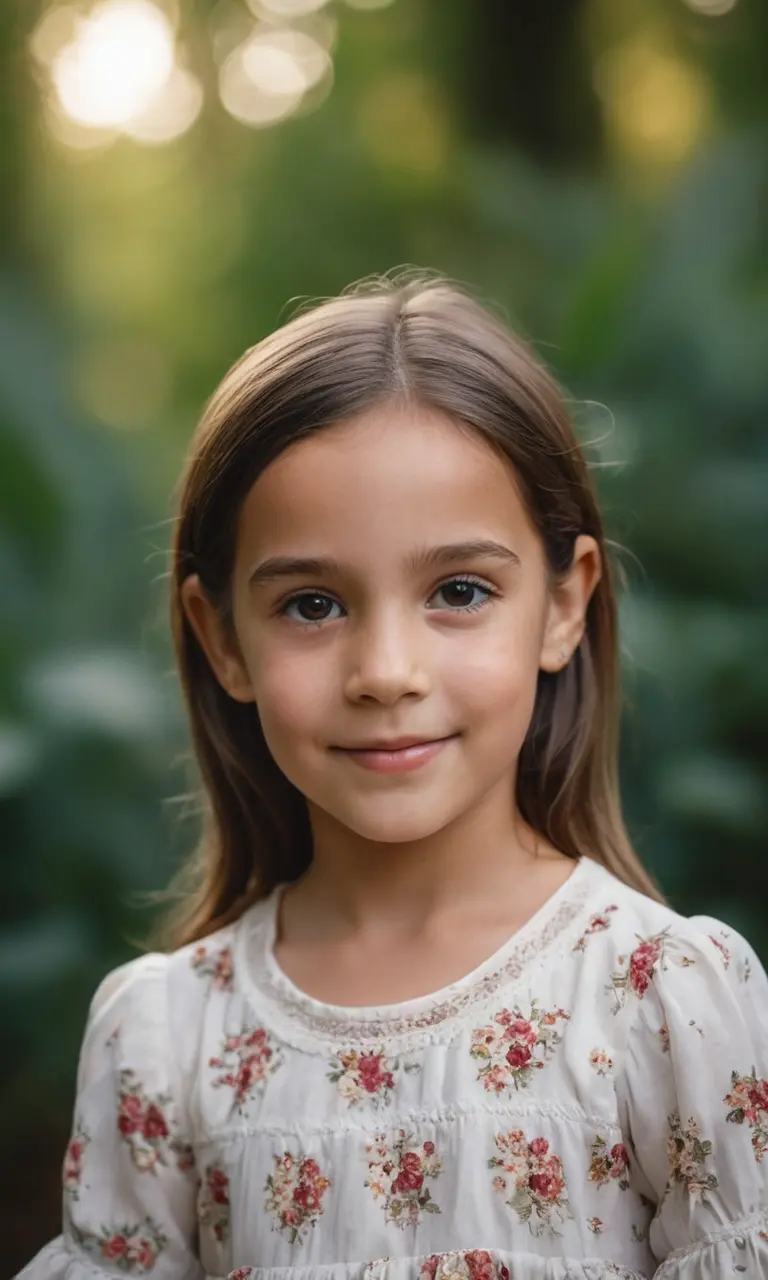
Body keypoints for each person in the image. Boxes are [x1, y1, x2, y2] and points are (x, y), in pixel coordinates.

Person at [18, 274, 768, 1280]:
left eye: (458, 590)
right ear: (221, 637)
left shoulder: (660, 1008)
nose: (384, 673)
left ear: (561, 605)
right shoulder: (167, 1043)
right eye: (313, 604)